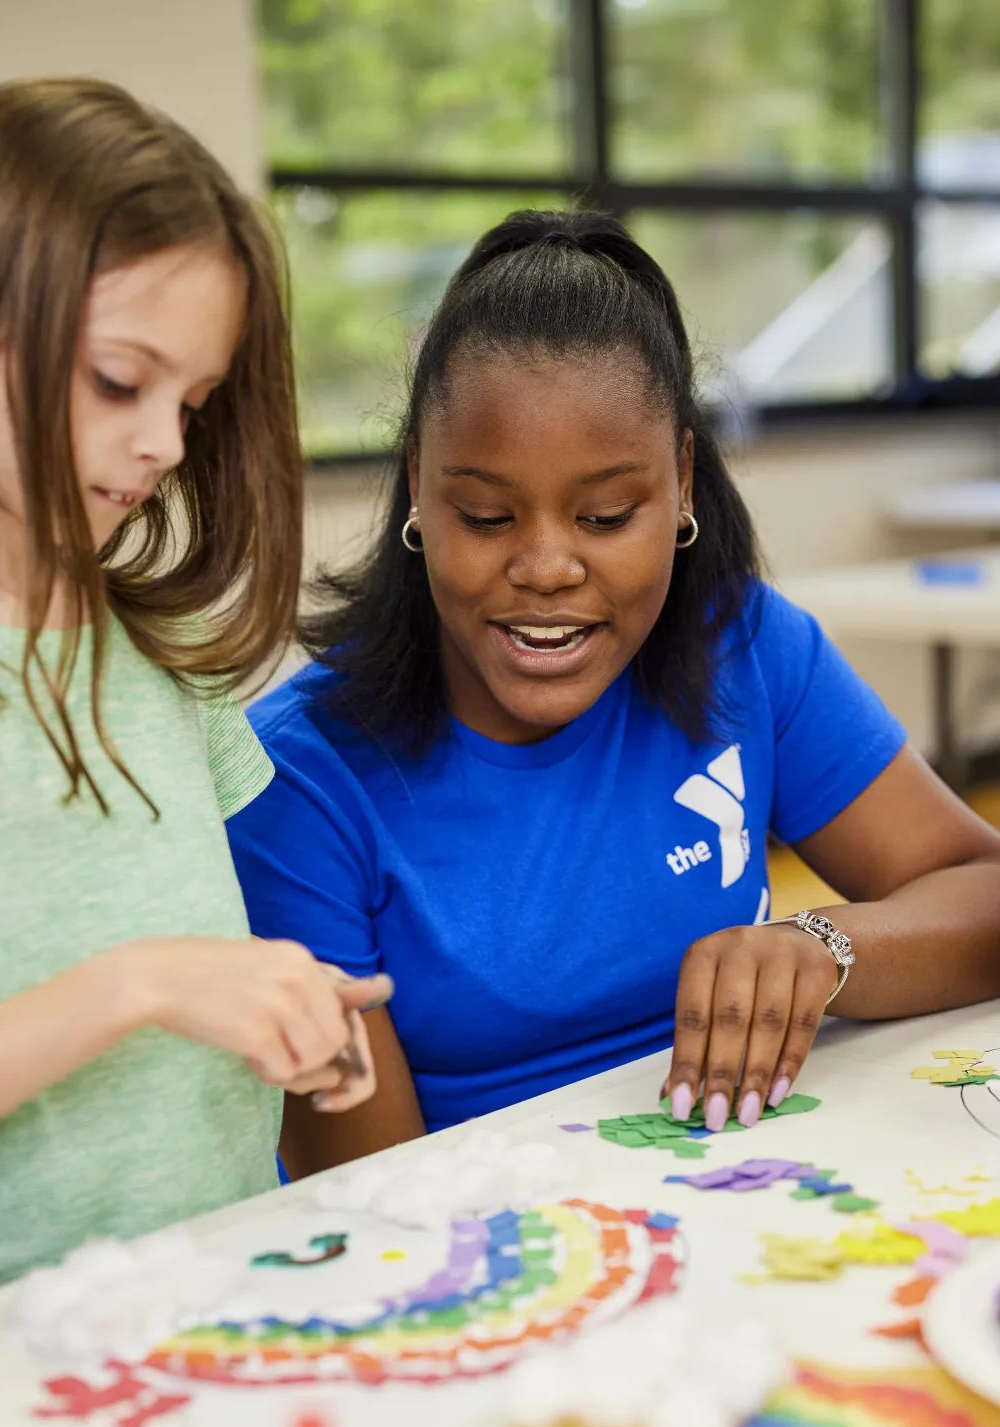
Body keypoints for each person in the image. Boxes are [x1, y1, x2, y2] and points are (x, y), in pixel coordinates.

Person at [228, 208, 1000, 1178]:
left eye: (604, 515)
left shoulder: (744, 650)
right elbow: (371, 1195)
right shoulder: (300, 779)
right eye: (485, 515)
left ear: (680, 481)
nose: (547, 566)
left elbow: (984, 894)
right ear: (417, 489)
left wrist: (822, 947)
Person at [0, 78, 391, 1329]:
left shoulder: (161, 653)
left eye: (191, 404)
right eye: (117, 381)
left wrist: (284, 1007)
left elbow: (201, 958)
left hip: (209, 1305)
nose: (161, 442)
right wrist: (141, 986)